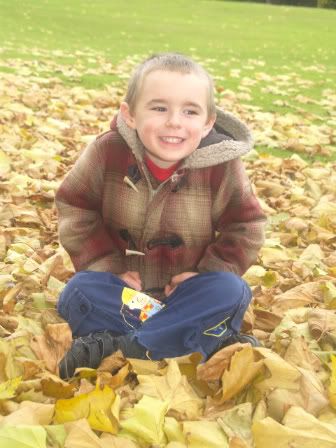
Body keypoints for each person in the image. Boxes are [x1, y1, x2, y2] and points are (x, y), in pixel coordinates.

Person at [55, 53, 266, 379]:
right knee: (79, 293)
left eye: (190, 111)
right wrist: (108, 267)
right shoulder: (107, 151)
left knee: (231, 291)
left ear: (208, 121)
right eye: (159, 108)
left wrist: (207, 272)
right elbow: (76, 204)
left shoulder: (221, 166)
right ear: (131, 114)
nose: (174, 122)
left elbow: (247, 224)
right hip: (128, 299)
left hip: (188, 294)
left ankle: (125, 348)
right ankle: (203, 338)